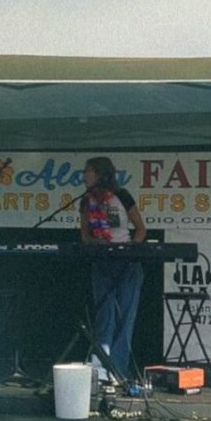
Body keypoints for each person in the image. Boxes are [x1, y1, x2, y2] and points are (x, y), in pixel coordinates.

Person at [79, 156, 147, 384]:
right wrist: (94, 243)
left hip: (127, 262)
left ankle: (118, 372)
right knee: (104, 316)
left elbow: (140, 229)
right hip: (102, 262)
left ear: (99, 174)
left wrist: (131, 250)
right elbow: (85, 235)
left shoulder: (122, 196)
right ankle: (100, 371)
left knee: (126, 316)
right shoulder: (86, 201)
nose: (83, 176)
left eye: (87, 171)